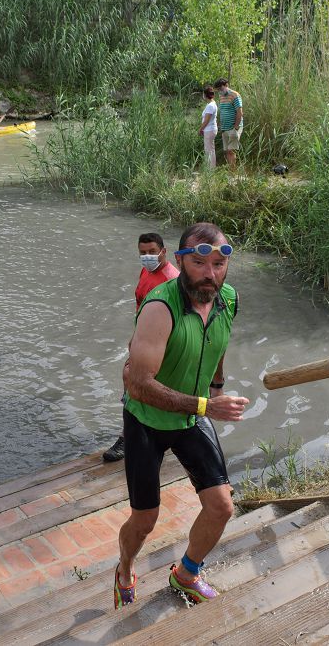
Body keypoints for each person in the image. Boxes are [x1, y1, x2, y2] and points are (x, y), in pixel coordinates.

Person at [114, 222, 249, 608]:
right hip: (147, 421)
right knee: (144, 521)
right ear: (180, 261)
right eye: (199, 263)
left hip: (192, 416)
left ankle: (186, 573)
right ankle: (125, 567)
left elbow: (219, 339)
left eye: (218, 266)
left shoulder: (228, 299)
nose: (210, 274)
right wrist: (208, 405)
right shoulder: (159, 308)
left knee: (222, 506)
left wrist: (217, 385)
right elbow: (138, 384)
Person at [103, 233, 181, 463]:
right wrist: (135, 336)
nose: (147, 256)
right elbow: (141, 305)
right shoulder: (147, 271)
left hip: (161, 344)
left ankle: (128, 439)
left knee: (137, 384)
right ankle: (141, 435)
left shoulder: (172, 280)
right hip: (144, 339)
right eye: (143, 252)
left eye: (151, 252)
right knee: (131, 383)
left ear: (163, 251)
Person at [215, 78, 243, 172]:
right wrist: (220, 125)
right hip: (224, 128)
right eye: (218, 89)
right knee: (227, 151)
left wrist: (236, 127)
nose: (220, 91)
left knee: (232, 150)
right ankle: (231, 171)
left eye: (221, 88)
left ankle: (233, 172)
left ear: (226, 85)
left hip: (233, 127)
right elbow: (222, 111)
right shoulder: (221, 96)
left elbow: (239, 112)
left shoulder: (235, 95)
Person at [199, 86, 218, 169]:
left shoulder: (210, 106)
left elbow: (206, 120)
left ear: (205, 95)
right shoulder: (212, 104)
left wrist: (200, 129)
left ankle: (210, 169)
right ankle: (211, 168)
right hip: (210, 129)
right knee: (210, 149)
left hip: (209, 130)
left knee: (208, 150)